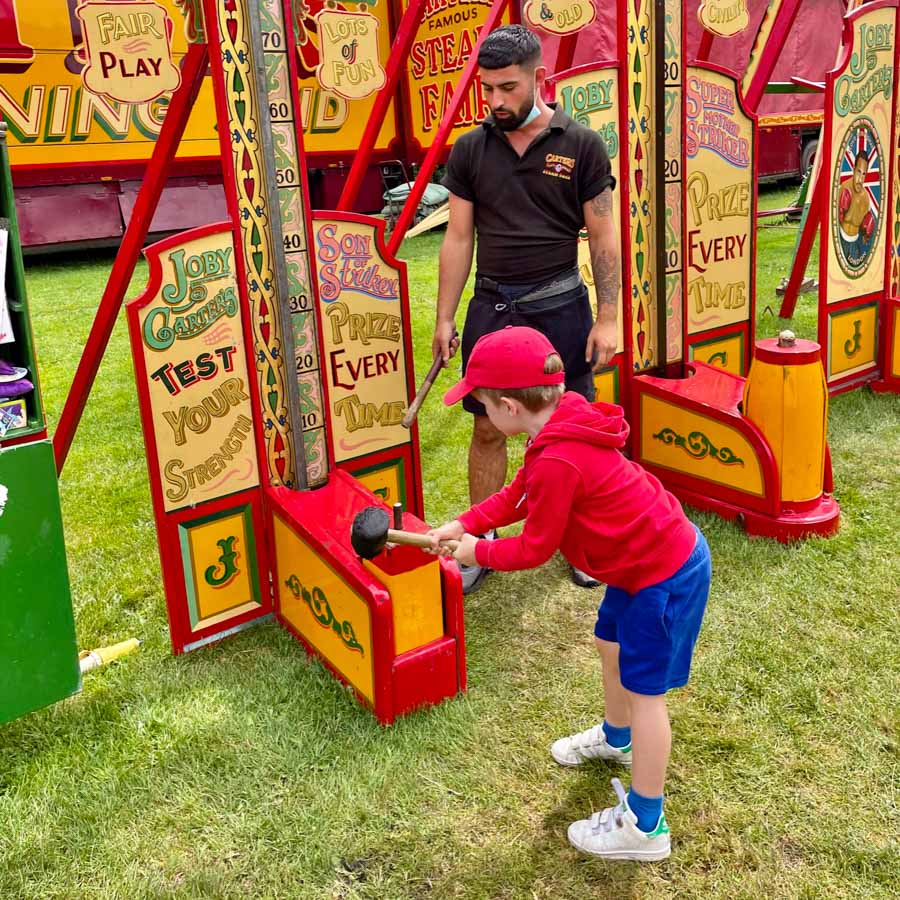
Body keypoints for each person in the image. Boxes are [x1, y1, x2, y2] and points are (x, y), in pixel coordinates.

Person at [428, 326, 711, 861]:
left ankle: (647, 826)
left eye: (483, 405)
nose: (482, 414)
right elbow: (519, 493)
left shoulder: (560, 458)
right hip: (639, 568)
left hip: (665, 574)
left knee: (647, 692)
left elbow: (534, 548)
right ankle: (616, 737)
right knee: (610, 645)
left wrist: (476, 552)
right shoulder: (562, 420)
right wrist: (464, 522)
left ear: (510, 407)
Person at [433, 24, 620, 593]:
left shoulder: (582, 143)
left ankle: (586, 544)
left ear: (540, 78)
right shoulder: (470, 148)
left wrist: (609, 316)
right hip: (493, 306)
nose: (494, 102)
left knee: (575, 434)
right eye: (487, 89)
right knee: (488, 430)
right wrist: (445, 316)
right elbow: (458, 238)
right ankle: (478, 549)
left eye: (507, 88)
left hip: (560, 305)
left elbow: (604, 233)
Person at [837, 149, 877, 270]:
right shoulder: (844, 188)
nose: (860, 178)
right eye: (859, 172)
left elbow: (866, 231)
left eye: (864, 174)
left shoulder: (866, 199)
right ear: (853, 170)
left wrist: (867, 234)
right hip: (840, 240)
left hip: (855, 244)